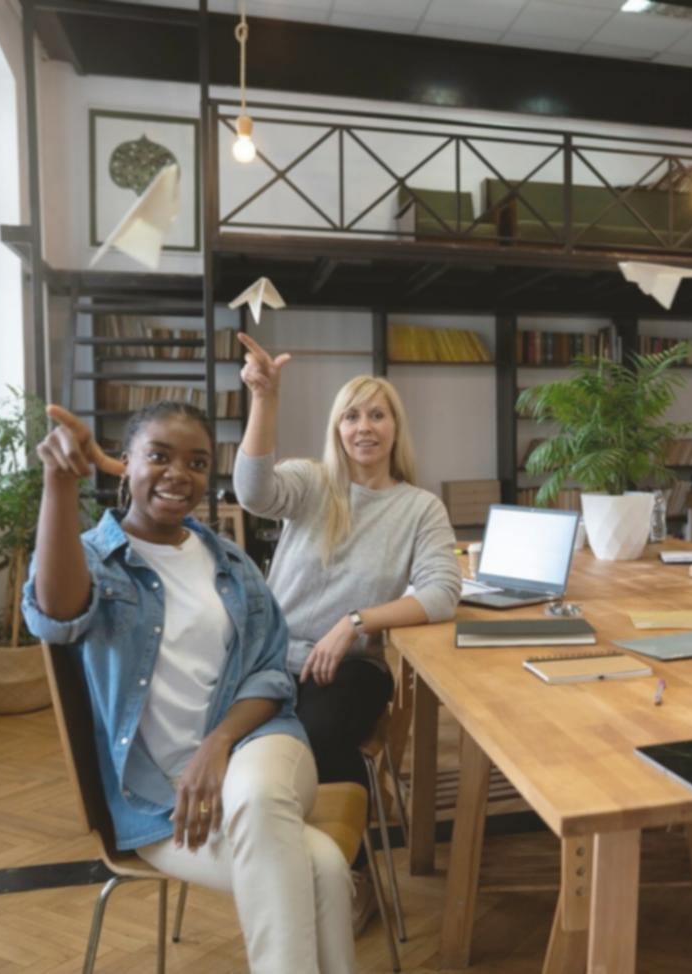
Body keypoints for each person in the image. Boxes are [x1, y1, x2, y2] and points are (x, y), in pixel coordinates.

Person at [22, 401, 355, 974]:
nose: (180, 473)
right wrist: (58, 482)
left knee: (256, 796)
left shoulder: (229, 561)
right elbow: (54, 615)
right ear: (125, 464)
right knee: (321, 864)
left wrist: (216, 745)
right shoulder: (99, 562)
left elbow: (272, 673)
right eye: (159, 456)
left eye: (197, 462)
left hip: (258, 748)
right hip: (158, 801)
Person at [232, 334, 461, 923]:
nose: (365, 426)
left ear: (394, 428)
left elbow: (441, 592)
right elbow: (253, 493)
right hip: (274, 660)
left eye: (377, 414)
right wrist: (265, 398)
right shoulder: (312, 484)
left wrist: (355, 622)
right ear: (337, 428)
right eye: (352, 415)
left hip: (354, 665)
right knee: (248, 745)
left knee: (317, 734)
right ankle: (279, 866)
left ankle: (350, 876)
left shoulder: (419, 508)